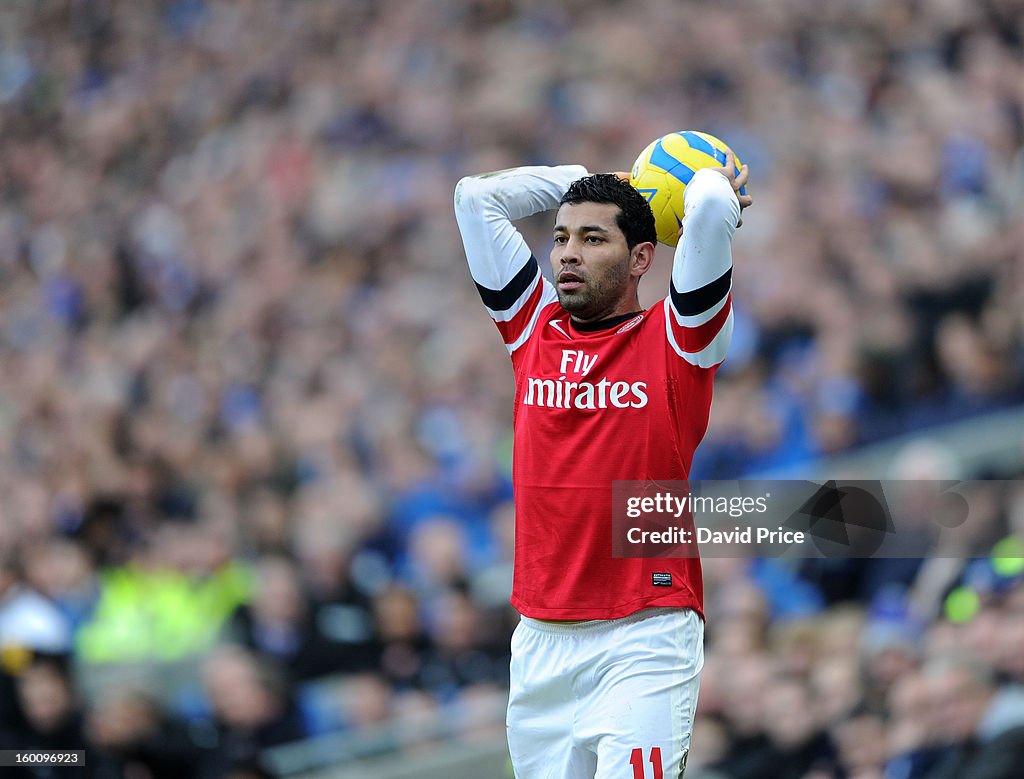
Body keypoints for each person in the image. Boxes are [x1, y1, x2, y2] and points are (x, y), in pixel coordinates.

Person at [454, 149, 750, 778]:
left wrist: (695, 186)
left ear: (642, 258)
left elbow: (714, 206)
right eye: (560, 237)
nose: (567, 252)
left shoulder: (679, 342)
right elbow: (475, 200)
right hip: (540, 639)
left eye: (593, 238)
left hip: (645, 633)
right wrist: (598, 179)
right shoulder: (530, 328)